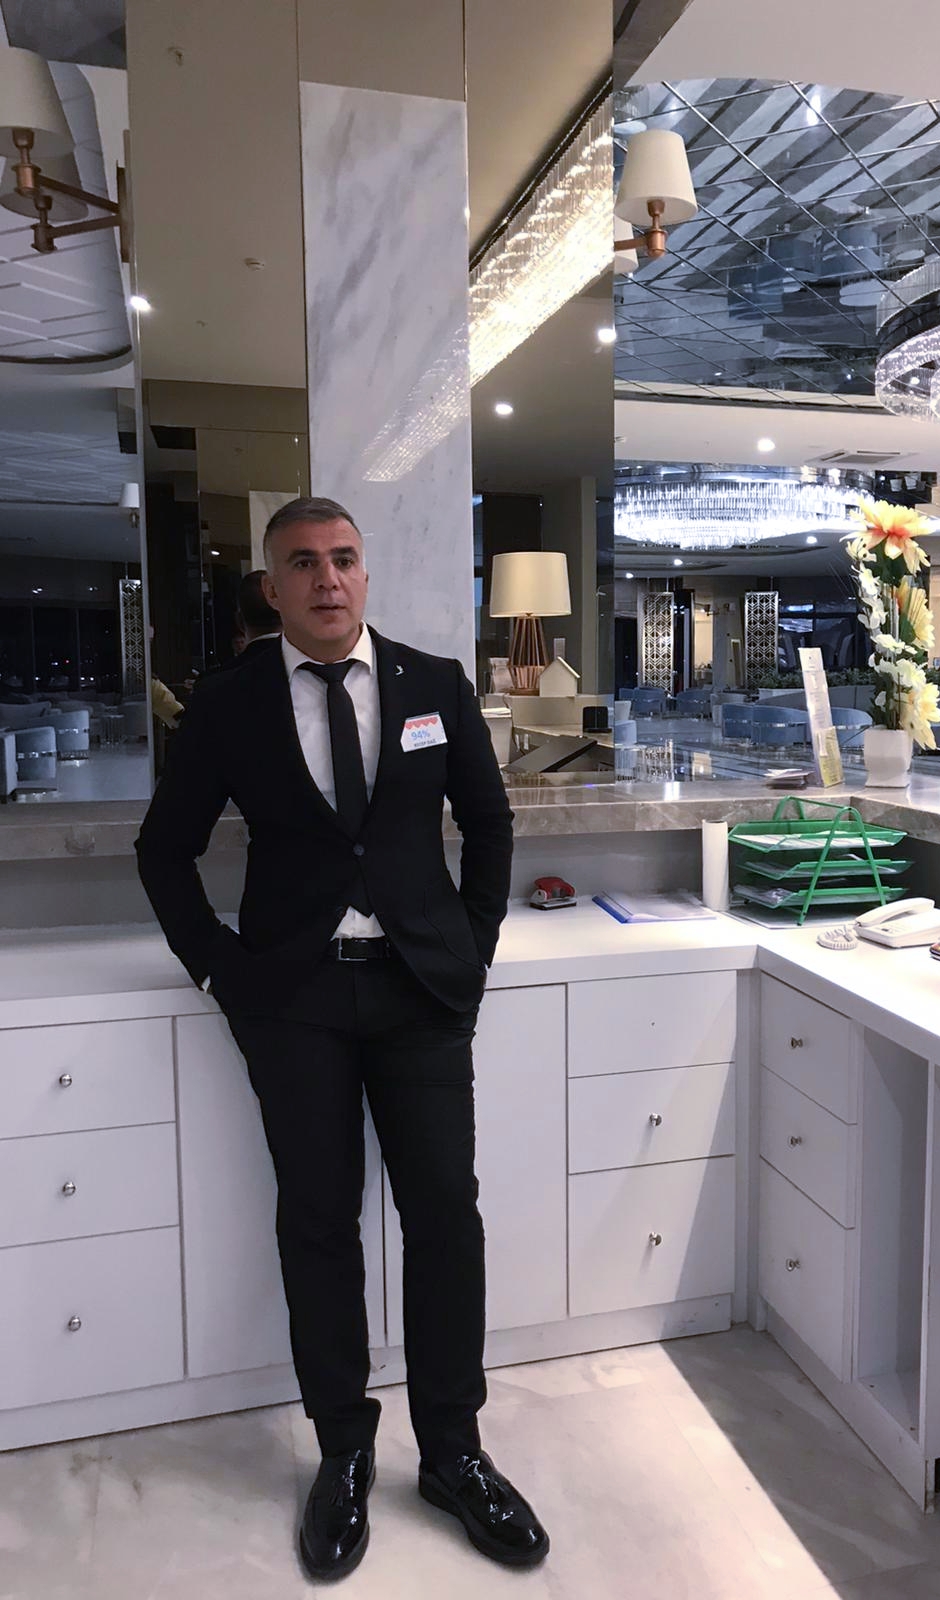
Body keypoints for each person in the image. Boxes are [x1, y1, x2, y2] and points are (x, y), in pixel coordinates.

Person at [135, 497, 546, 1581]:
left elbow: (490, 823)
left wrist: (472, 948)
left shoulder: (433, 684)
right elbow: (164, 851)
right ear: (272, 587)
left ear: (367, 574)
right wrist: (220, 970)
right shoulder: (228, 704)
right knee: (318, 1223)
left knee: (444, 1218)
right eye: (304, 563)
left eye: (345, 559)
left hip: (420, 994)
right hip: (295, 1000)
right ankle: (344, 1452)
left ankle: (453, 1452)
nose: (328, 578)